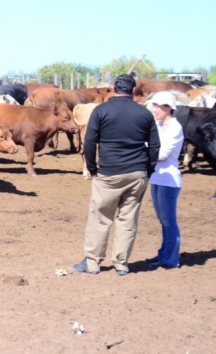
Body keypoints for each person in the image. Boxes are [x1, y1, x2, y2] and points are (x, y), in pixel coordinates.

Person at [74, 74, 160, 276]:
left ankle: (93, 262)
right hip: (137, 173)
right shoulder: (144, 113)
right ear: (133, 90)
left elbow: (89, 142)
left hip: (109, 172)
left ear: (113, 88)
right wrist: (148, 169)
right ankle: (121, 264)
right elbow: (155, 145)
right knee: (128, 219)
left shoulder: (101, 110)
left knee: (100, 217)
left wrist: (92, 168)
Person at [145, 91, 184, 269]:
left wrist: (141, 151)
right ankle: (164, 254)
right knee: (163, 220)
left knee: (168, 221)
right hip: (158, 178)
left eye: (158, 106)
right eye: (154, 106)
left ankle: (171, 258)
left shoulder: (174, 128)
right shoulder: (160, 126)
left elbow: (162, 154)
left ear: (168, 108)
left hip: (168, 180)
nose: (154, 109)